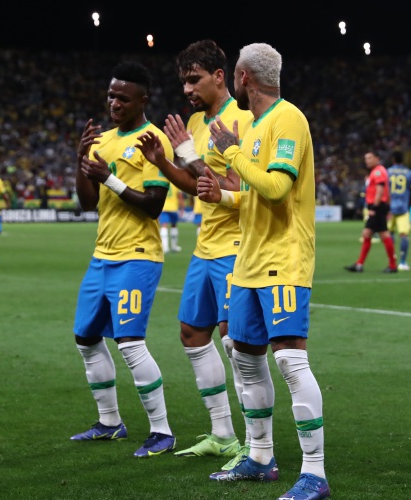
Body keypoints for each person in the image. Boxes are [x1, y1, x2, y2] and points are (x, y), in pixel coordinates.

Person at [195, 42, 330, 500]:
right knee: (245, 357)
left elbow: (276, 187)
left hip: (284, 260)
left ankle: (314, 472)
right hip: (248, 262)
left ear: (242, 77)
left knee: (290, 360)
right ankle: (260, 456)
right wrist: (225, 198)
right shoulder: (253, 128)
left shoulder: (287, 118)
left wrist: (232, 155)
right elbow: (255, 195)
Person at [135, 39, 252, 469]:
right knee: (191, 334)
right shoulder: (195, 122)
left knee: (236, 343)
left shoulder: (241, 118)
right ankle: (222, 434)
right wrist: (164, 162)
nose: (187, 89)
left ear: (219, 76)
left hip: (237, 246)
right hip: (206, 247)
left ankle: (253, 443)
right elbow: (196, 185)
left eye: (194, 79)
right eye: (183, 80)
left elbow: (241, 188)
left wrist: (187, 154)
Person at [70, 61, 177, 459]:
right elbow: (87, 202)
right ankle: (110, 422)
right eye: (111, 95)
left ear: (142, 101)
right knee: (86, 338)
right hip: (102, 256)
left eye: (123, 98)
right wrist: (81, 160)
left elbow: (153, 206)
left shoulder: (153, 141)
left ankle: (162, 431)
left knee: (130, 343)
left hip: (138, 256)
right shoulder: (104, 140)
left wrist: (109, 178)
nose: (114, 103)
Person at [344, 151, 398, 273]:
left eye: (369, 158)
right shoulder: (378, 171)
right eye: (365, 158)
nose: (367, 160)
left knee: (380, 234)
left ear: (377, 158)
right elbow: (386, 191)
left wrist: (374, 208)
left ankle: (392, 265)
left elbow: (380, 190)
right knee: (369, 234)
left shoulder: (378, 171)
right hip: (380, 206)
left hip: (377, 207)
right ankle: (360, 264)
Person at [387, 151, 411, 271]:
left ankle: (392, 259)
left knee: (389, 234)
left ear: (393, 160)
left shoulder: (387, 172)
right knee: (404, 235)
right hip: (403, 208)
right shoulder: (410, 173)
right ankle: (402, 262)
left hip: (389, 209)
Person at [160, 182, 185, 253]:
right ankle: (174, 246)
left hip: (164, 207)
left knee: (164, 226)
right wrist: (182, 208)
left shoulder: (163, 182)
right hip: (173, 207)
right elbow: (180, 197)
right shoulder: (175, 182)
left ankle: (165, 247)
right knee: (174, 226)